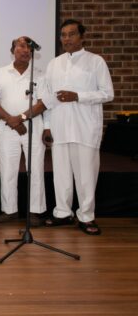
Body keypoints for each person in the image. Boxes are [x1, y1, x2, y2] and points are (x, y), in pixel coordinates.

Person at [42, 19, 114, 235]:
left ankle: (86, 216)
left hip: (85, 127)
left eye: (71, 34)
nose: (66, 39)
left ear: (82, 37)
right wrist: (46, 126)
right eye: (63, 35)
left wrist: (78, 96)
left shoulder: (95, 62)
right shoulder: (54, 63)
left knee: (86, 176)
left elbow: (107, 93)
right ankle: (63, 213)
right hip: (59, 126)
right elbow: (47, 98)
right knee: (61, 175)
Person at [0, 37, 47, 227]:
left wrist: (21, 118)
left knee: (36, 169)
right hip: (7, 127)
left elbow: (43, 103)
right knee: (7, 170)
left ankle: (36, 211)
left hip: (33, 126)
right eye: (21, 46)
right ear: (12, 49)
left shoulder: (39, 74)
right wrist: (11, 121)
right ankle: (9, 210)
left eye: (29, 47)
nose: (25, 50)